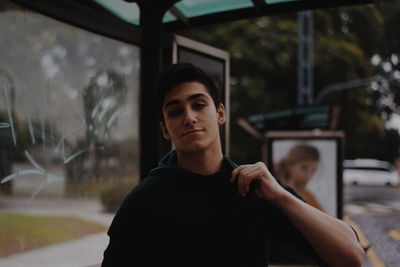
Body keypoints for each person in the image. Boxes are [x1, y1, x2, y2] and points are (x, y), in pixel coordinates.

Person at [102, 63, 364, 267]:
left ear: (220, 113)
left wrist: (281, 196)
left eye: (198, 104)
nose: (189, 118)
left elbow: (350, 256)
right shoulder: (144, 201)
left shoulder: (252, 188)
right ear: (165, 129)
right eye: (175, 111)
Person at [274, 143, 323, 211]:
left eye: (313, 170)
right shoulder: (275, 190)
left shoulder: (309, 196)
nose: (308, 175)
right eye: (304, 168)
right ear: (290, 166)